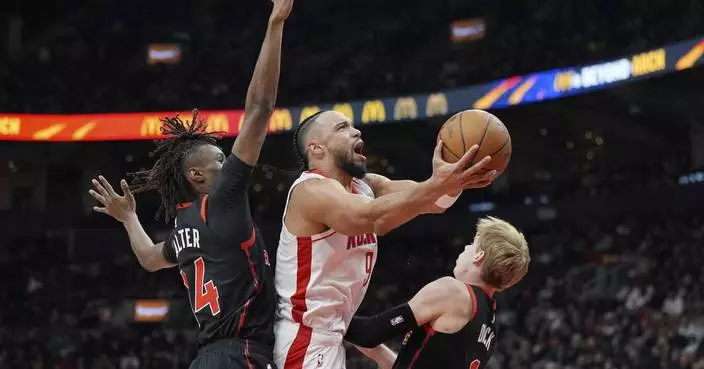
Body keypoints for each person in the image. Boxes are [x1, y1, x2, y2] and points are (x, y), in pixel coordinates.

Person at [87, 1, 293, 368]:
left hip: (208, 358)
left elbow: (150, 259)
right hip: (239, 353)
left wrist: (128, 218)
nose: (227, 163)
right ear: (196, 175)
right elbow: (260, 109)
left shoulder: (184, 227)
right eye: (220, 160)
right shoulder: (221, 202)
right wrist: (276, 22)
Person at [273, 109, 498, 369]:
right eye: (342, 128)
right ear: (316, 148)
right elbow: (371, 219)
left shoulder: (366, 185)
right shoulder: (310, 191)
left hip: (330, 337)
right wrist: (438, 184)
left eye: (352, 125)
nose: (356, 131)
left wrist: (455, 179)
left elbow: (433, 201)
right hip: (303, 337)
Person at [346, 216, 531, 369]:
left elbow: (369, 333)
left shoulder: (454, 292)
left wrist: (323, 308)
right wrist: (377, 352)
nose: (465, 248)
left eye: (472, 244)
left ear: (479, 255)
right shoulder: (490, 325)